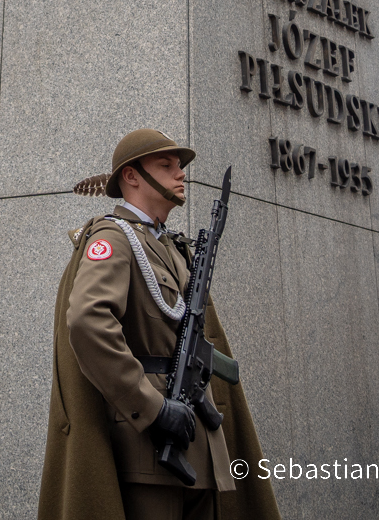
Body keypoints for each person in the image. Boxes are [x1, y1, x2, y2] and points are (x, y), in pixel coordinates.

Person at [36, 129, 279, 520]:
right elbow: (87, 321)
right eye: (166, 165)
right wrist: (152, 408)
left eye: (179, 165)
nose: (180, 173)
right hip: (149, 452)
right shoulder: (113, 238)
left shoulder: (170, 246)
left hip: (199, 448)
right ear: (132, 177)